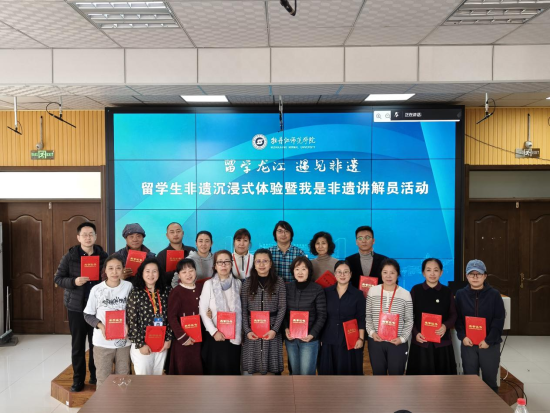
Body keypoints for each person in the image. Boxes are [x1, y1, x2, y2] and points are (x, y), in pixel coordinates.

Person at [54, 222, 108, 392]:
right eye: (84, 234)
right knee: (77, 345)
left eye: (91, 234)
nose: (88, 237)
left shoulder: (103, 256)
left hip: (97, 309)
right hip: (76, 308)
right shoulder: (70, 256)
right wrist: (74, 281)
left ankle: (94, 375)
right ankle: (78, 379)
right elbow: (58, 278)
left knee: (95, 344)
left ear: (96, 236)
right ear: (78, 237)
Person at [455, 259, 505, 393]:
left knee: (490, 381)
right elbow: (458, 319)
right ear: (466, 276)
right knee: (470, 380)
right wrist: (463, 337)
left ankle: (490, 404)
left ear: (485, 276)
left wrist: (489, 340)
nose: (475, 277)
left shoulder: (494, 295)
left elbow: (499, 320)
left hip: (489, 344)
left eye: (479, 274)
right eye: (472, 274)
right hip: (468, 344)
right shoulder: (460, 294)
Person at [83, 254, 133, 386]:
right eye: (110, 268)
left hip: (124, 342)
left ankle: (122, 400)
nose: (114, 272)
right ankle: (104, 400)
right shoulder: (96, 289)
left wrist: (128, 324)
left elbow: (133, 312)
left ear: (123, 269)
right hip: (102, 342)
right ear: (105, 270)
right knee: (103, 379)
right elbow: (88, 314)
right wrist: (101, 326)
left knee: (123, 378)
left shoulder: (128, 287)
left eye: (118, 268)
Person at [406, 258, 457, 376]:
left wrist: (445, 326)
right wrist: (415, 333)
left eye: (436, 270)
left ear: (441, 272)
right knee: (420, 380)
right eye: (428, 270)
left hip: (442, 342)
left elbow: (453, 314)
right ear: (423, 273)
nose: (432, 273)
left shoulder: (447, 291)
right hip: (421, 342)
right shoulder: (416, 290)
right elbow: (409, 315)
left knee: (443, 380)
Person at [241, 249, 287, 375]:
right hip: (252, 331)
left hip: (272, 331)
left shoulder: (279, 282)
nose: (261, 264)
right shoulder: (247, 283)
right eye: (258, 261)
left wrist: (275, 330)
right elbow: (243, 308)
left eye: (265, 261)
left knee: (272, 368)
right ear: (254, 264)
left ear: (271, 263)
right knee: (253, 368)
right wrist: (247, 330)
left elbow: (282, 307)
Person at [366, 258, 413, 376]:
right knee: (378, 376)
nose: (388, 276)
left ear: (398, 274)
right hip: (376, 341)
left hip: (397, 343)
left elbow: (409, 320)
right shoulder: (372, 291)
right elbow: (368, 316)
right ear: (381, 273)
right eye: (385, 272)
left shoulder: (405, 294)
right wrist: (372, 333)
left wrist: (402, 339)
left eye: (392, 272)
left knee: (396, 377)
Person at [199, 250, 242, 375]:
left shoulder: (238, 283)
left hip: (234, 335)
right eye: (220, 262)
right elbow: (203, 310)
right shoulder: (209, 284)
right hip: (215, 336)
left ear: (231, 264)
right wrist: (214, 332)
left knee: (231, 370)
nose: (223, 265)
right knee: (214, 371)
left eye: (226, 262)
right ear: (215, 266)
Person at [318, 260, 365, 375]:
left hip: (350, 339)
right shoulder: (326, 292)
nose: (342, 275)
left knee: (348, 372)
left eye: (346, 272)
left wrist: (361, 339)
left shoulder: (358, 294)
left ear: (351, 274)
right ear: (334, 274)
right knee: (328, 372)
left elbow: (361, 318)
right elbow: (322, 316)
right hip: (329, 337)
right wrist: (320, 337)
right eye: (339, 272)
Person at [126, 258, 172, 375]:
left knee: (157, 376)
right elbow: (132, 321)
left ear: (159, 273)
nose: (151, 275)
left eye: (154, 271)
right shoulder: (136, 293)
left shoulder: (166, 291)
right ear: (142, 273)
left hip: (161, 342)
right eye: (147, 271)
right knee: (143, 378)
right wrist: (140, 344)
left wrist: (168, 339)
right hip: (142, 343)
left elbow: (171, 316)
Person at [284, 256, 327, 375]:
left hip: (309, 339)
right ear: (293, 271)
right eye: (297, 269)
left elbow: (322, 315)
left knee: (306, 375)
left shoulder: (317, 289)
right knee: (294, 373)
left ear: (309, 271)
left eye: (304, 269)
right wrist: (286, 328)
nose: (300, 272)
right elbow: (283, 311)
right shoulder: (287, 288)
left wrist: (312, 334)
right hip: (291, 339)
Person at [167, 258, 203, 375]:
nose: (188, 274)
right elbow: (171, 317)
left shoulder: (201, 288)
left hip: (201, 339)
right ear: (179, 275)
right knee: (184, 370)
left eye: (191, 270)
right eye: (184, 272)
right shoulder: (176, 292)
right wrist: (183, 337)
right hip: (184, 340)